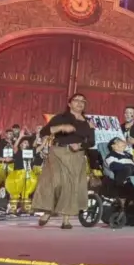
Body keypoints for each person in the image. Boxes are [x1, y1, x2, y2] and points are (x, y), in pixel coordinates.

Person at [33, 93, 94, 229]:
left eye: (83, 101)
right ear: (69, 103)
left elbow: (91, 141)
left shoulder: (87, 122)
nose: (80, 103)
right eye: (76, 100)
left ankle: (66, 219)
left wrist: (80, 145)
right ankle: (47, 211)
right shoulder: (60, 118)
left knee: (70, 185)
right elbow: (44, 132)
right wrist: (60, 128)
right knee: (54, 182)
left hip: (76, 155)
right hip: (57, 152)